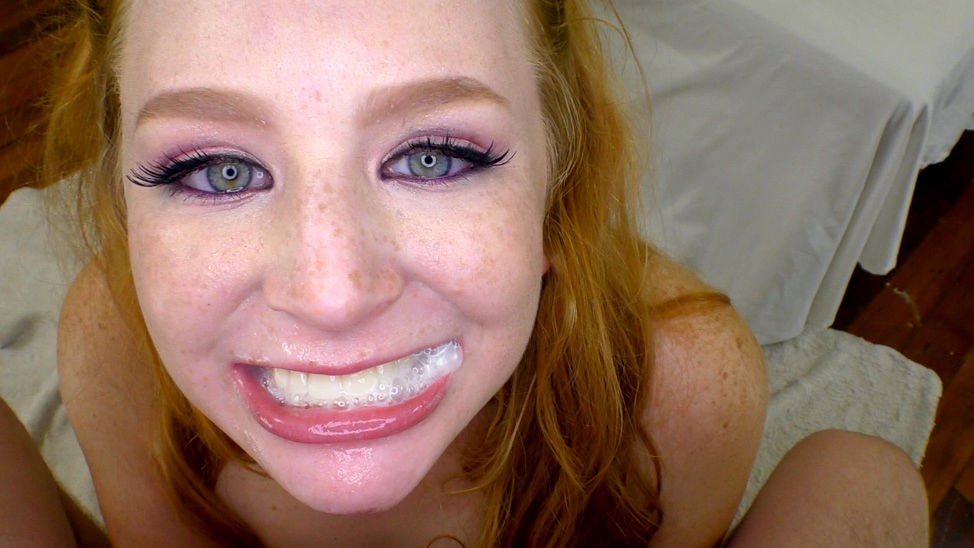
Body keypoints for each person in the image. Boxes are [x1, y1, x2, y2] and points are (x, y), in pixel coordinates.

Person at [3, 0, 926, 545]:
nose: (331, 295)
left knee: (867, 480)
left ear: (560, 184)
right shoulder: (115, 345)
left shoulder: (679, 393)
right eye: (220, 171)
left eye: (433, 157)